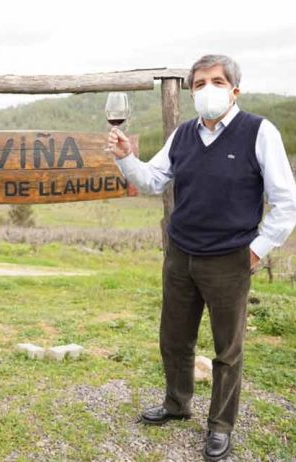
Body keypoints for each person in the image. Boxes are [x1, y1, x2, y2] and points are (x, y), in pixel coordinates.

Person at [107, 55, 296, 461]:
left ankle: (220, 426)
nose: (207, 89)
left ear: (234, 90)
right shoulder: (182, 135)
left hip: (230, 258)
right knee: (174, 339)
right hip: (181, 254)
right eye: (199, 83)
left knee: (227, 350)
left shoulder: (259, 132)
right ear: (192, 91)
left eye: (216, 81)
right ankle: (177, 404)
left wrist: (256, 250)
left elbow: (286, 201)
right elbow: (153, 180)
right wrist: (125, 156)